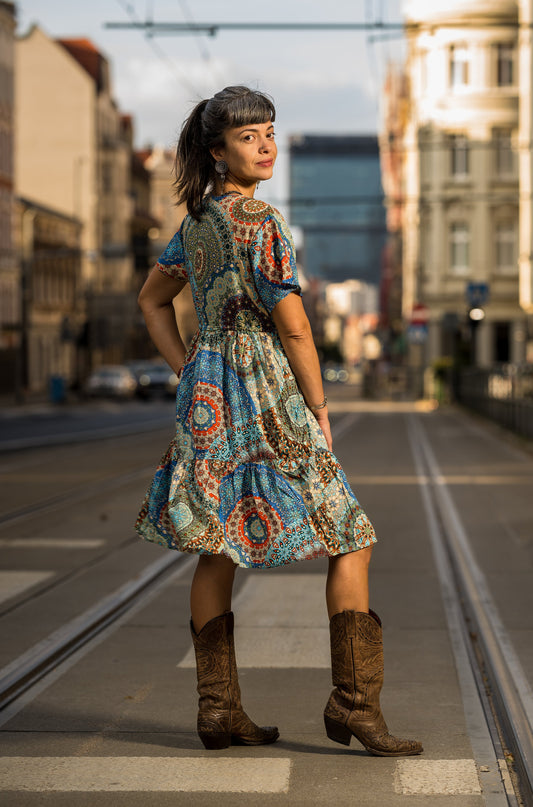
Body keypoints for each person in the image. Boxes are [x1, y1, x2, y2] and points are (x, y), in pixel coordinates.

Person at [136, 85, 422, 757]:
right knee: (350, 533)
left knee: (216, 543)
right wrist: (319, 409)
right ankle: (354, 704)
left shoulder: (197, 222)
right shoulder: (260, 222)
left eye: (268, 131)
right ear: (217, 149)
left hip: (207, 398)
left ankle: (218, 710)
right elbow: (294, 329)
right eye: (247, 136)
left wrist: (187, 365)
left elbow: (152, 301)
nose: (264, 145)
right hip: (266, 393)